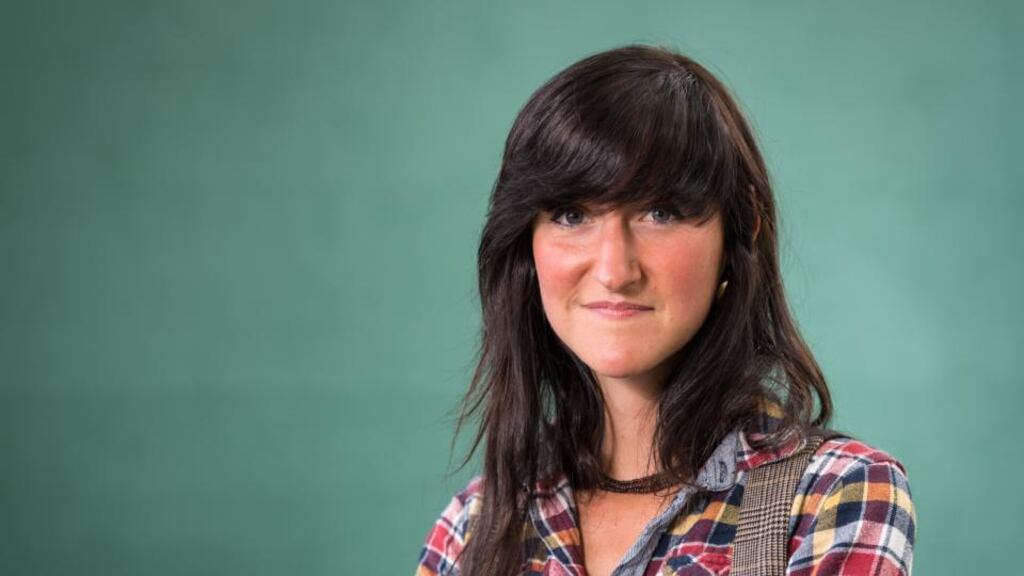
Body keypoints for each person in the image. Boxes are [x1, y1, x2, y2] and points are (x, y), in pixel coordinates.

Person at [416, 44, 916, 576]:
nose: (614, 269)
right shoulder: (475, 524)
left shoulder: (834, 496)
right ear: (525, 245)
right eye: (571, 214)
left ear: (739, 233)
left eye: (660, 211)